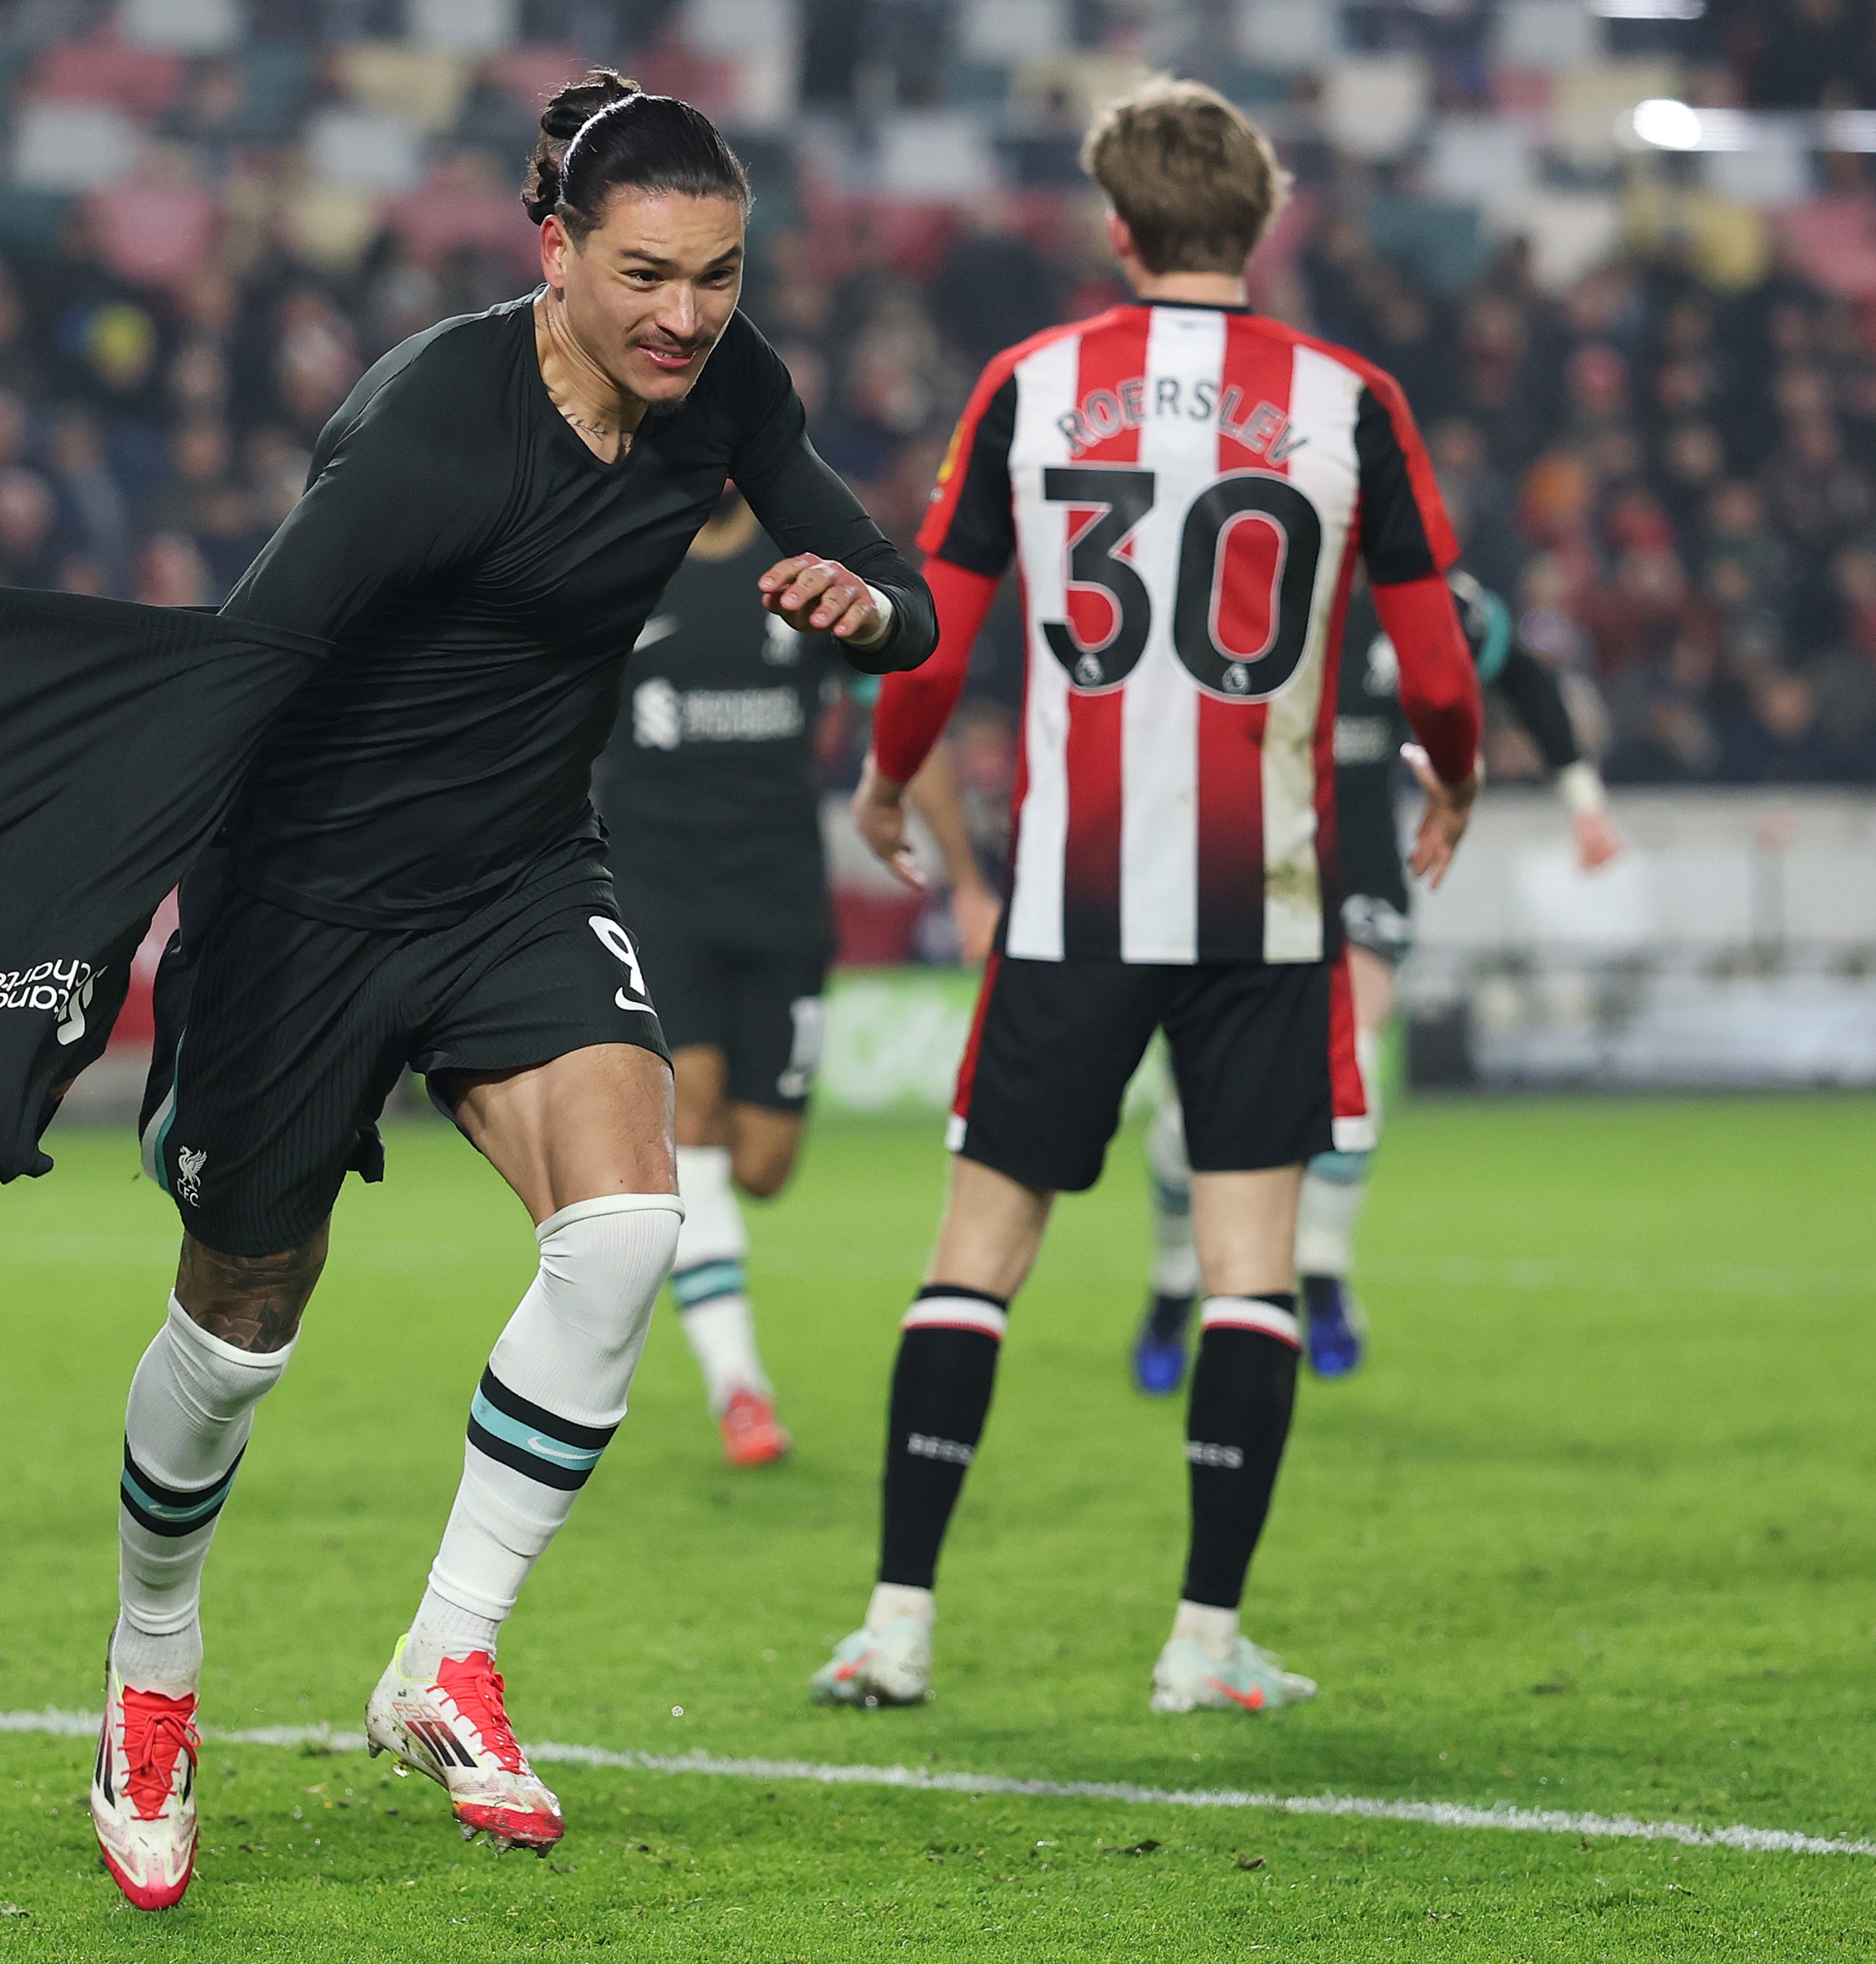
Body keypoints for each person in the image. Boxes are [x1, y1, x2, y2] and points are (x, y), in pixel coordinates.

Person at [93, 76, 936, 1903]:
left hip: (517, 880)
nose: (684, 317)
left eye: (716, 276)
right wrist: (102, 911)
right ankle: (151, 1667)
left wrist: (873, 615)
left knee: (628, 1227)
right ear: (551, 250)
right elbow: (245, 661)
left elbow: (900, 579)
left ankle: (444, 1656)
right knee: (239, 1335)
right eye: (645, 273)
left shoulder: (726, 393)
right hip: (303, 904)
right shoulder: (421, 428)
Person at [809, 78, 1481, 1721]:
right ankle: (1200, 1639)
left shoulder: (1030, 387)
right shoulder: (1349, 400)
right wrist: (1452, 772)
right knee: (1250, 1269)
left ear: (1116, 228)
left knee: (976, 1254)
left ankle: (895, 1625)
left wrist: (891, 778)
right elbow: (1439, 656)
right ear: (1260, 224)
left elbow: (933, 636)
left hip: (1068, 899)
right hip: (1264, 896)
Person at [1128, 571, 1621, 1389]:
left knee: (1348, 1060)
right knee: (1191, 1116)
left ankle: (1321, 1275)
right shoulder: (1221, 568)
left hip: (1353, 870)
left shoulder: (1415, 590)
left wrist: (1583, 802)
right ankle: (1172, 1283)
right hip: (1225, 867)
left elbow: (1522, 674)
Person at [593, 493, 992, 1466]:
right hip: (656, 894)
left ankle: (703, 1254)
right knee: (689, 1126)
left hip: (778, 901)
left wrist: (968, 879)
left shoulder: (805, 577)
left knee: (760, 1161)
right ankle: (742, 1389)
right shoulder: (619, 563)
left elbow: (898, 711)